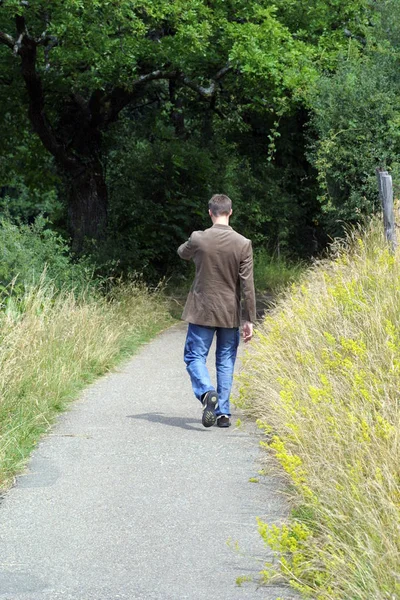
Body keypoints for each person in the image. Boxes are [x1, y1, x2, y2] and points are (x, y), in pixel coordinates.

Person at [177, 194, 256, 428]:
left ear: (210, 212)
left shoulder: (198, 238)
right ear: (230, 212)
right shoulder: (243, 244)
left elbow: (182, 252)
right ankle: (223, 413)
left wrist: (194, 243)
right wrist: (249, 319)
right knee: (225, 360)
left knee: (194, 356)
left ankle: (205, 392)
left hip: (202, 310)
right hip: (229, 312)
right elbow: (247, 285)